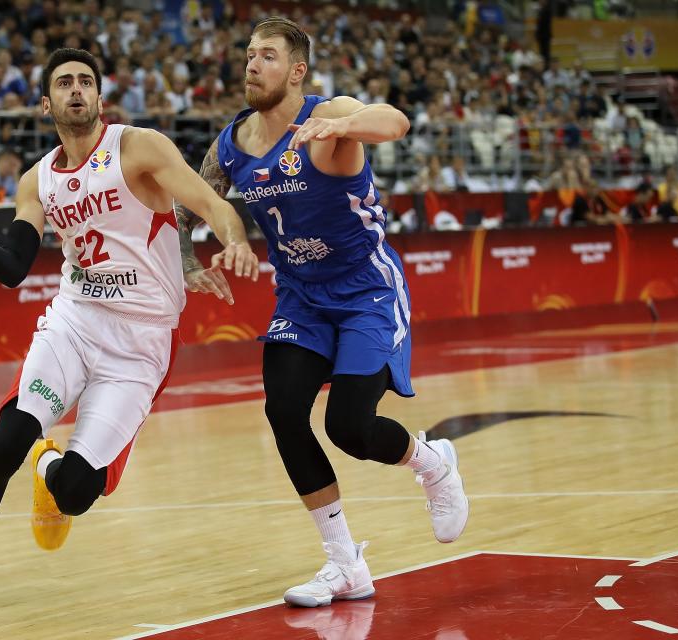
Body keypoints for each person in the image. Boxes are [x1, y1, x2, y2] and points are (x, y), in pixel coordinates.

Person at [0, 47, 258, 633]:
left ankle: (52, 474)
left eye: (86, 82)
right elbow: (15, 266)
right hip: (74, 322)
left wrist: (233, 238)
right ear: (47, 103)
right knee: (3, 444)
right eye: (64, 82)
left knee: (77, 493)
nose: (76, 90)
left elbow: (209, 202)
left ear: (99, 97)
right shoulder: (38, 179)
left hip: (140, 344)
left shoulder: (138, 147)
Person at [176, 17, 469, 609]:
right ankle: (345, 565)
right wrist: (189, 257)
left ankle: (430, 462)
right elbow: (192, 199)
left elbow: (397, 121)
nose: (252, 65)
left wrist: (344, 123)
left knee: (349, 429)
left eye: (267, 56)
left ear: (297, 70)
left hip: (365, 292)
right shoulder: (232, 143)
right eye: (249, 54)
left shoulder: (328, 116)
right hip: (301, 298)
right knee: (285, 413)